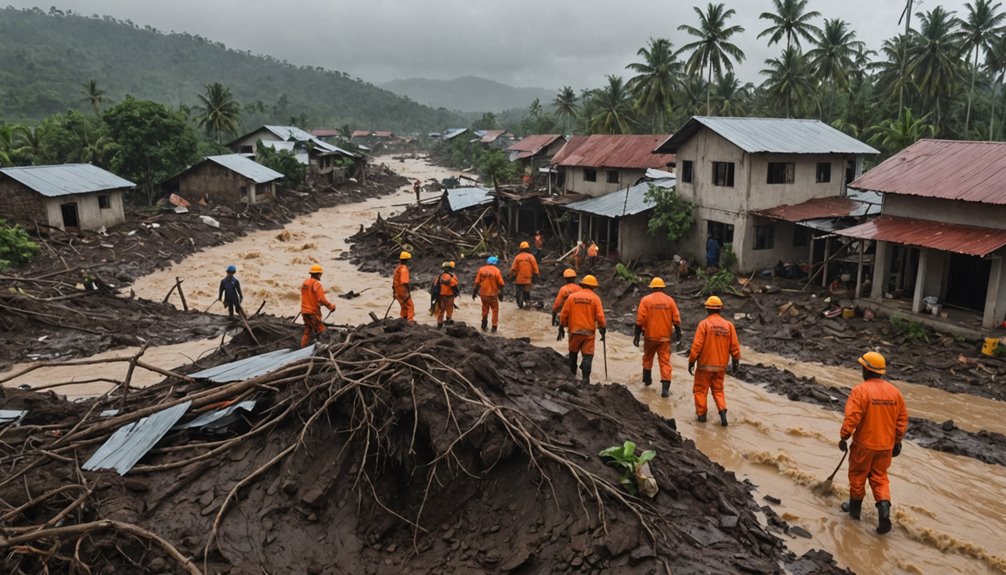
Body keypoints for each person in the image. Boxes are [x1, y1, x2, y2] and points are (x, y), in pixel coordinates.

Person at [839, 351, 908, 535]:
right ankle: (884, 508)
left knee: (857, 476)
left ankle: (854, 513)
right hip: (885, 446)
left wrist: (844, 436)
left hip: (864, 444)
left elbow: (852, 418)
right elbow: (901, 420)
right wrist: (897, 441)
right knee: (880, 478)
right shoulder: (895, 393)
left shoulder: (860, 391)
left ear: (865, 369)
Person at [688, 295, 741, 426]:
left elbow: (697, 346)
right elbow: (734, 346)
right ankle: (722, 413)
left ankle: (701, 417)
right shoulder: (729, 326)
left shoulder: (704, 324)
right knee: (718, 390)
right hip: (720, 367)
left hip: (704, 366)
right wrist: (735, 362)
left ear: (707, 309)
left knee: (700, 391)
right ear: (720, 309)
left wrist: (691, 361)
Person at [634, 277, 682, 398]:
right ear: (662, 287)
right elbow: (676, 320)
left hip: (650, 336)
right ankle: (665, 390)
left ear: (652, 287)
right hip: (665, 338)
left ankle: (647, 381)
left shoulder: (646, 300)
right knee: (665, 362)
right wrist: (678, 335)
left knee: (647, 358)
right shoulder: (670, 301)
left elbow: (640, 319)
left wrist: (636, 335)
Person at [558, 274, 606, 385]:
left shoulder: (572, 297)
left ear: (582, 284)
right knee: (587, 356)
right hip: (588, 332)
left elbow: (564, 313)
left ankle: (572, 374)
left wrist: (562, 325)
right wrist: (602, 327)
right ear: (593, 287)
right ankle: (585, 380)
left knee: (573, 353)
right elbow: (600, 316)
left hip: (574, 330)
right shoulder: (595, 298)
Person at [300, 264, 335, 348]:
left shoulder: (305, 283)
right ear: (318, 274)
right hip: (313, 312)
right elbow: (321, 299)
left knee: (307, 332)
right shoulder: (316, 284)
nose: (321, 275)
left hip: (305, 312)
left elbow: (309, 296)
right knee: (321, 329)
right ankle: (323, 349)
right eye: (320, 274)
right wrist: (330, 306)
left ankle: (302, 348)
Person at [473, 256, 505, 332]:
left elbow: (477, 283)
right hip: (493, 295)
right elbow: (501, 283)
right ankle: (494, 327)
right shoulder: (496, 271)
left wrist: (474, 292)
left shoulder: (481, 270)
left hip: (483, 294)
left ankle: (484, 324)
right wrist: (501, 294)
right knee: (495, 310)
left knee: (485, 308)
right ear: (495, 263)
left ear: (487, 262)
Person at [510, 241, 540, 309]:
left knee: (518, 289)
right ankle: (527, 302)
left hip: (519, 278)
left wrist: (511, 276)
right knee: (527, 291)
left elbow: (513, 268)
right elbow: (535, 267)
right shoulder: (531, 257)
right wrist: (536, 275)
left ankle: (520, 300)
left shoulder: (517, 257)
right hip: (528, 278)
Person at [431, 261, 460, 328]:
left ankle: (439, 325)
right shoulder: (452, 276)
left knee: (441, 310)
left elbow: (435, 285)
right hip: (449, 296)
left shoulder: (439, 276)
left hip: (441, 296)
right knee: (449, 310)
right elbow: (455, 283)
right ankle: (448, 323)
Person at [393, 251, 415, 322]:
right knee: (410, 306)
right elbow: (405, 282)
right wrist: (408, 290)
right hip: (403, 290)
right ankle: (410, 321)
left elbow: (394, 282)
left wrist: (394, 293)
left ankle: (403, 319)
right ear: (407, 260)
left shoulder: (398, 268)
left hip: (397, 290)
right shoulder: (404, 269)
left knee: (404, 306)